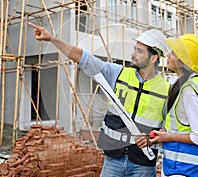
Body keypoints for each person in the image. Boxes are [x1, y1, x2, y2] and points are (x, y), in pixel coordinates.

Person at [28, 22, 170, 177]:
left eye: (139, 51)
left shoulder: (166, 91)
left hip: (142, 165)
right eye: (134, 49)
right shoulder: (118, 74)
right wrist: (52, 39)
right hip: (113, 160)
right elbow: (84, 58)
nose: (133, 54)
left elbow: (167, 130)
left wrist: (152, 139)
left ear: (153, 57)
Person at [146, 33, 198, 177]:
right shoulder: (185, 85)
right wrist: (164, 135)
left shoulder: (189, 90)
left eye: (173, 53)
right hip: (180, 168)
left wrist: (169, 137)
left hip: (185, 169)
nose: (168, 55)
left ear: (182, 60)